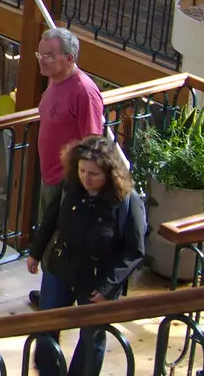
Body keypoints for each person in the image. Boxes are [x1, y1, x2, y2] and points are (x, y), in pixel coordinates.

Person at [26, 136, 146, 376]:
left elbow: (135, 251)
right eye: (81, 170)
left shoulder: (127, 201)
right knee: (45, 327)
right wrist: (36, 253)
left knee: (92, 339)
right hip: (61, 270)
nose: (86, 178)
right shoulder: (70, 186)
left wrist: (107, 287)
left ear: (110, 175)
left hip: (97, 281)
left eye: (94, 174)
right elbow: (51, 219)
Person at [31, 28, 106, 308]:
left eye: (49, 55)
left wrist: (79, 183)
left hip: (68, 183)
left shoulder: (84, 92)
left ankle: (55, 299)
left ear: (69, 58)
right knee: (48, 238)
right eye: (41, 54)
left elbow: (93, 142)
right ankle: (49, 293)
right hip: (50, 176)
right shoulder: (53, 81)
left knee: (59, 243)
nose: (42, 60)